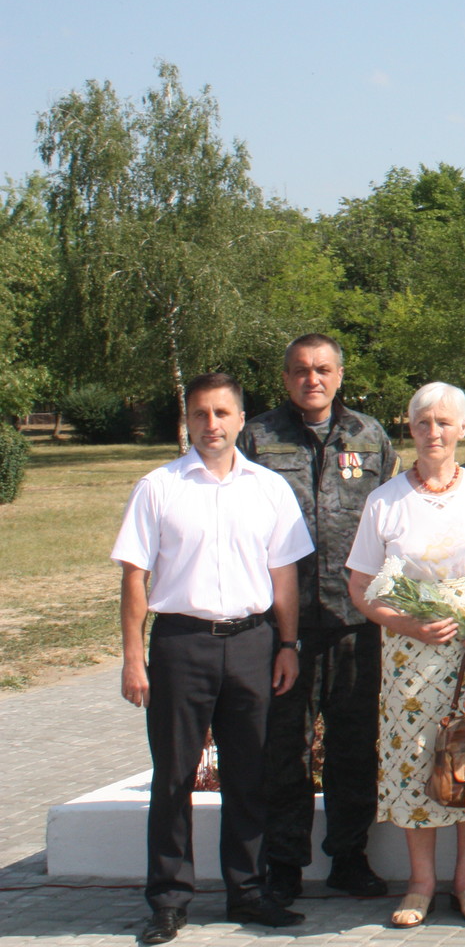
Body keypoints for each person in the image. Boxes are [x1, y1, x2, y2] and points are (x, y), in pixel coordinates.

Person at [115, 373, 312, 946]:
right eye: (200, 413)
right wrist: (133, 658)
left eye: (222, 413)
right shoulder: (158, 487)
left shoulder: (269, 489)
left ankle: (248, 891)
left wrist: (288, 645)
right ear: (188, 419)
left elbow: (284, 576)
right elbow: (134, 576)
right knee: (174, 776)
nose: (211, 424)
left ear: (241, 419)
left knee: (249, 774)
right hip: (181, 644)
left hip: (252, 644)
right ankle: (168, 900)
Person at [346, 382, 465, 928]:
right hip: (412, 654)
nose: (434, 432)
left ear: (463, 428)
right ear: (410, 428)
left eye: (445, 422)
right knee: (416, 758)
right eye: (424, 422)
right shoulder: (385, 500)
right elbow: (360, 586)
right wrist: (406, 623)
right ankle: (421, 883)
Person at [235, 334, 395, 904]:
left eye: (323, 369)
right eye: (301, 370)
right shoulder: (258, 438)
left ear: (340, 375)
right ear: (286, 378)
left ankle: (349, 857)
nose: (313, 379)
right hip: (285, 626)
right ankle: (284, 863)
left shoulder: (369, 436)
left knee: (354, 746)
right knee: (285, 748)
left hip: (356, 621)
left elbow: (390, 518)